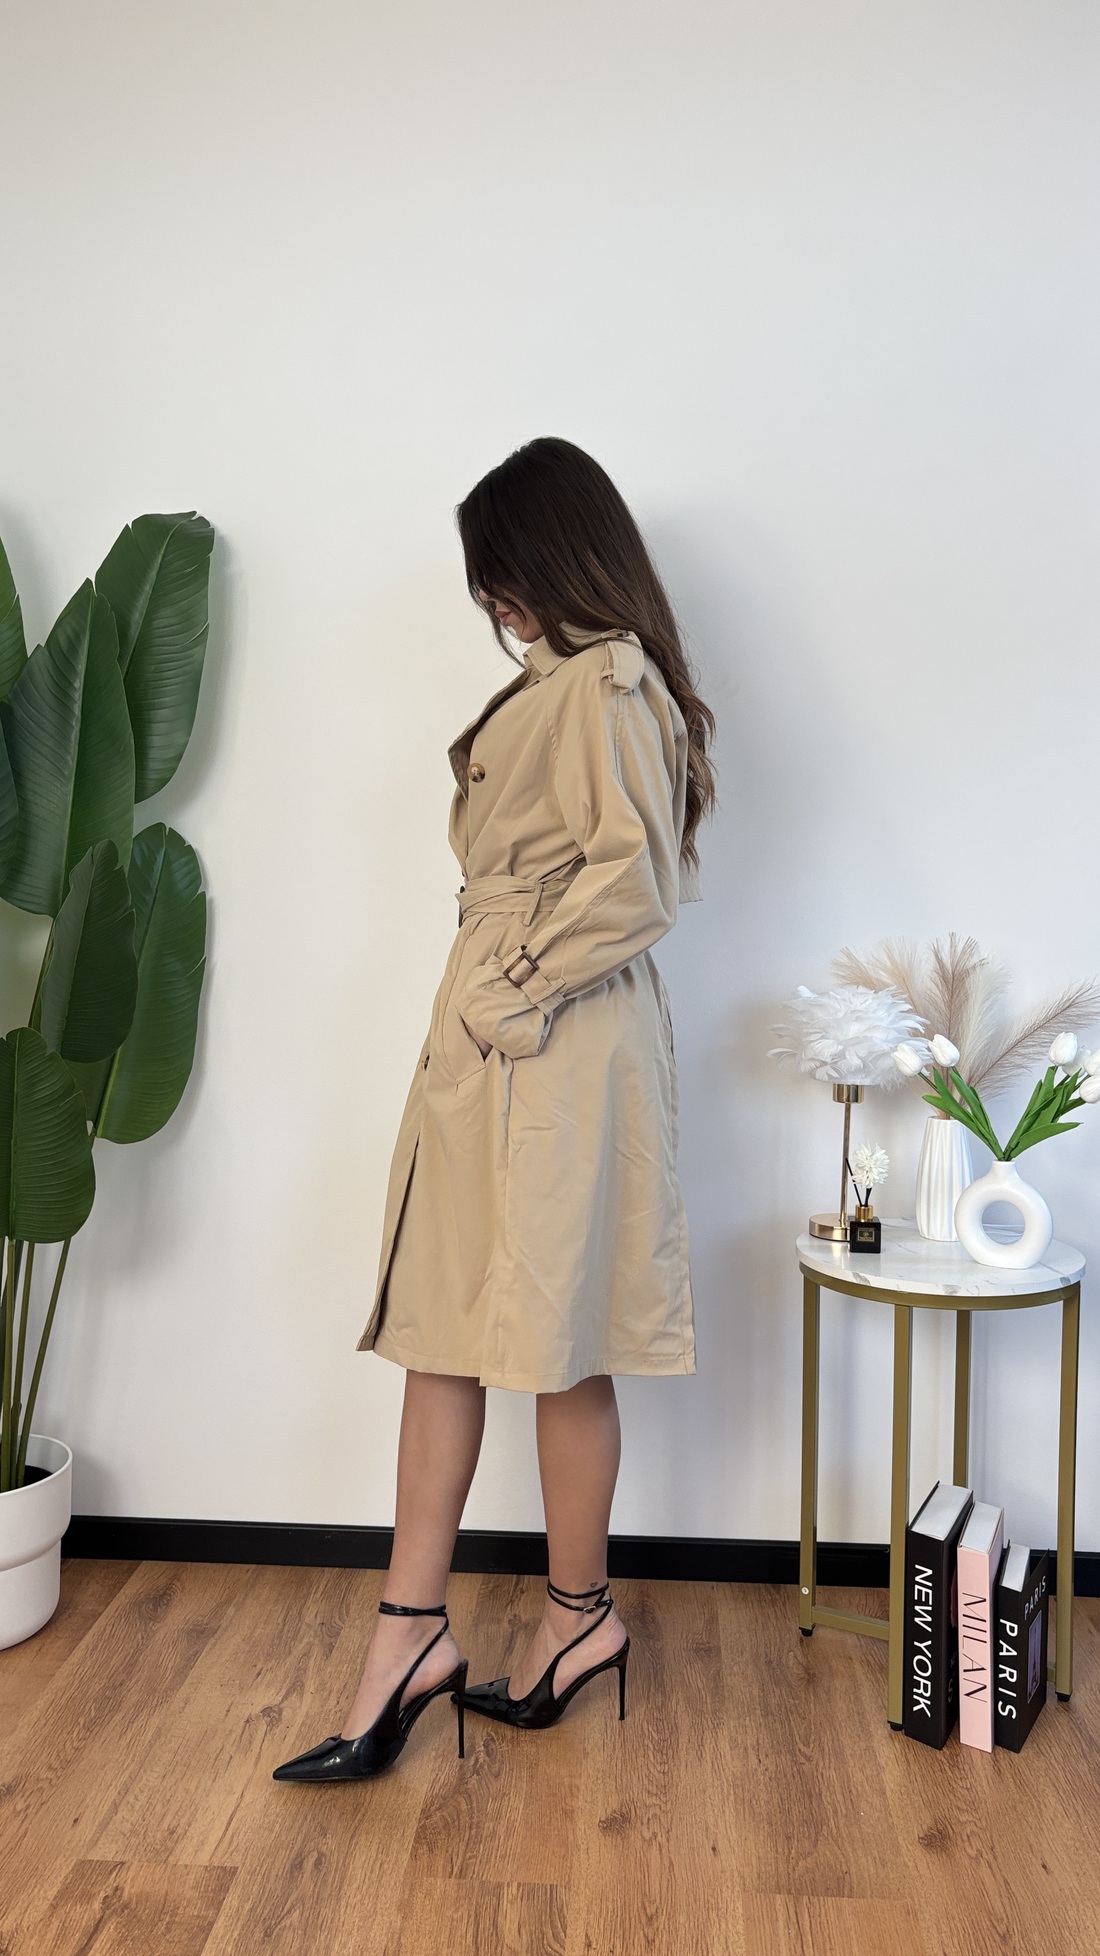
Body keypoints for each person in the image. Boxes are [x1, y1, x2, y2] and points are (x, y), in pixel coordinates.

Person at [274, 436, 715, 1784]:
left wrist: (508, 990)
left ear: (554, 555)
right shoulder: (568, 683)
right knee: (448, 1323)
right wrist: (489, 1001)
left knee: (557, 1334)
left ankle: (566, 1620)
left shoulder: (606, 684)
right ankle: (422, 1631)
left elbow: (637, 883)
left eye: (501, 576)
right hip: (510, 1033)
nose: (492, 604)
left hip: (550, 1037)